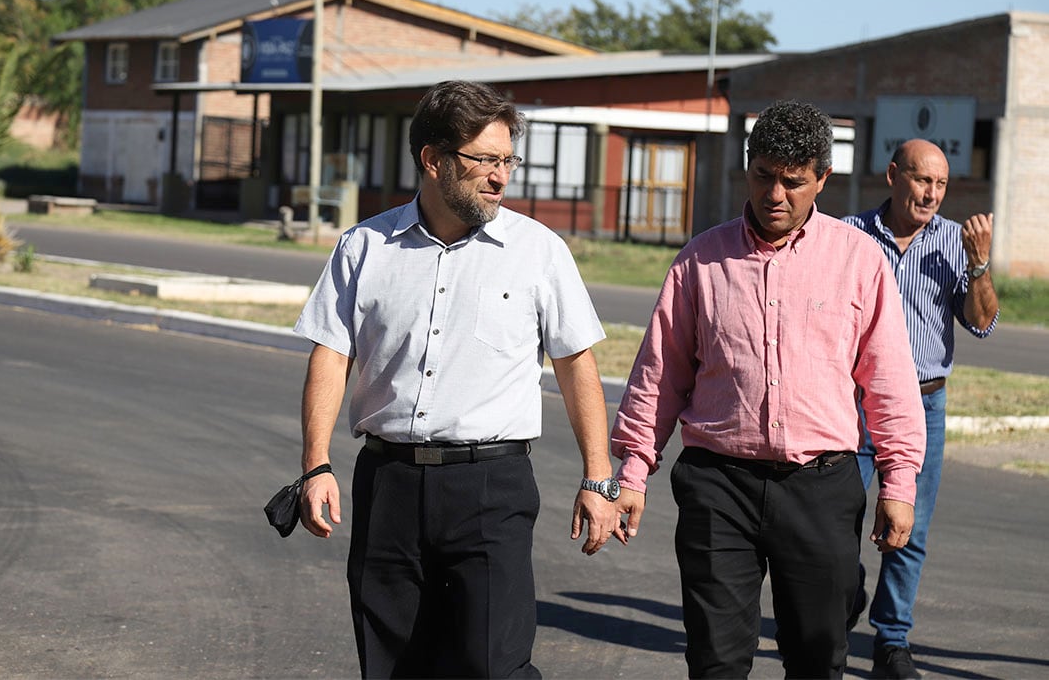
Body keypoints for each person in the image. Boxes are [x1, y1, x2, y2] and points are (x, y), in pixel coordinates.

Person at [293, 79, 620, 679]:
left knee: (494, 666)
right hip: (388, 485)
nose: (501, 176)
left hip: (490, 488)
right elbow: (330, 357)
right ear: (434, 160)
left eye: (507, 160)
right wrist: (316, 465)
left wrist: (599, 478)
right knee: (392, 665)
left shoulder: (538, 252)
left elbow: (577, 366)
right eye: (485, 161)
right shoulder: (364, 247)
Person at [609, 100, 927, 678]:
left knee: (816, 658)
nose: (775, 194)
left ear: (822, 180)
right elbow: (659, 376)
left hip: (821, 489)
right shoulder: (700, 262)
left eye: (793, 181)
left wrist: (899, 482)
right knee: (716, 661)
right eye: (763, 176)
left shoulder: (858, 262)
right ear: (747, 167)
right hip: (718, 488)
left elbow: (889, 383)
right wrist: (633, 471)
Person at [842, 138, 999, 679]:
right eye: (921, 179)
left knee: (911, 529)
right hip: (854, 405)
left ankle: (892, 642)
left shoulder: (956, 242)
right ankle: (841, 604)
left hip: (924, 403)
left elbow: (982, 323)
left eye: (940, 185)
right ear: (892, 175)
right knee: (833, 521)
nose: (931, 193)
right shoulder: (850, 236)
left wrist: (978, 266)